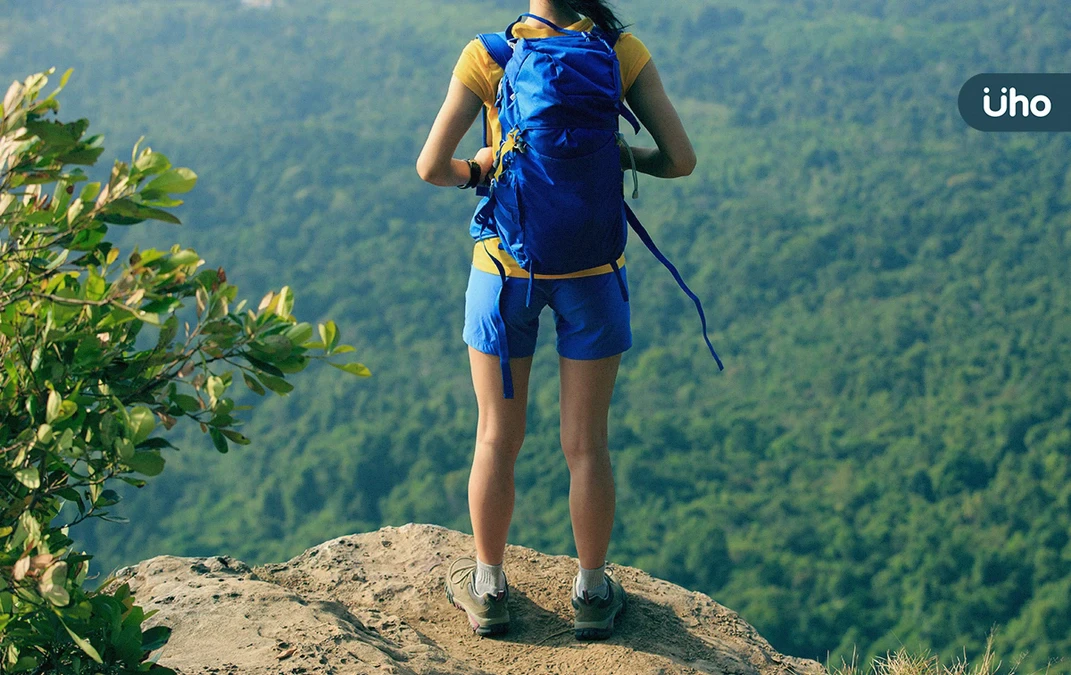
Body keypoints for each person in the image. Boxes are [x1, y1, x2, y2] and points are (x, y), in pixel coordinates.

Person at [415, 0, 696, 640]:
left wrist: (477, 170)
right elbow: (680, 159)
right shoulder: (619, 52)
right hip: (594, 273)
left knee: (496, 436)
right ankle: (593, 593)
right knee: (586, 444)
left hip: (504, 270)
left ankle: (488, 587)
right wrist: (622, 158)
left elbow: (432, 167)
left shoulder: (490, 55)